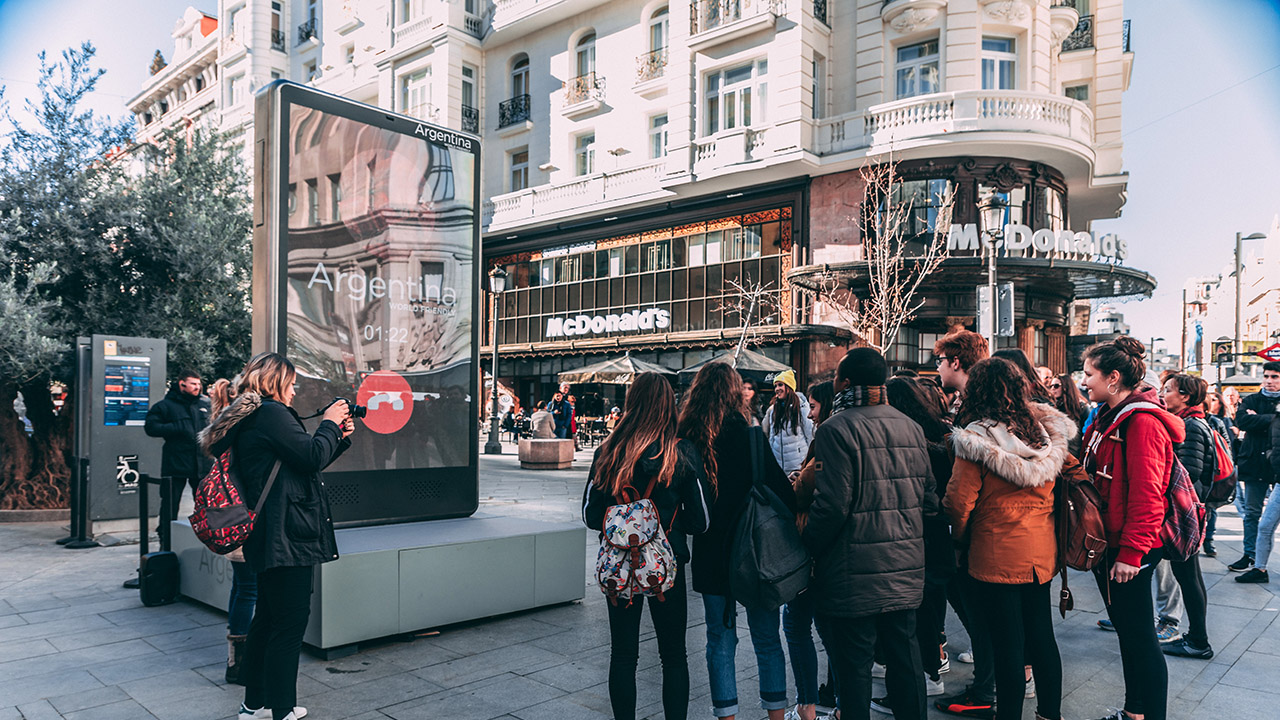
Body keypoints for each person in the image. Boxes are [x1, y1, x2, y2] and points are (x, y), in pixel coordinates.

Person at [201, 353, 353, 720]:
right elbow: (311, 455)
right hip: (287, 534)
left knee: (267, 620)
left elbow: (302, 462)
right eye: (292, 382)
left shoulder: (255, 416)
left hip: (271, 532)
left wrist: (340, 439)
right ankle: (281, 710)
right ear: (276, 381)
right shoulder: (271, 413)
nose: (294, 389)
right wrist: (330, 423)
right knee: (288, 624)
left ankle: (254, 706)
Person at [803, 347, 934, 720]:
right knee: (905, 661)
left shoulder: (835, 429)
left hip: (852, 571)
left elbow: (831, 506)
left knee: (854, 667)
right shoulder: (911, 426)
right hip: (905, 569)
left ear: (844, 382)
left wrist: (809, 544)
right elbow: (929, 499)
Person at [945, 357, 1077, 720]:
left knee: (1007, 648)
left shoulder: (976, 439)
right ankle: (1050, 714)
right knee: (1042, 638)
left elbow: (959, 503)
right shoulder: (1043, 433)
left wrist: (957, 539)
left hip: (995, 555)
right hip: (1040, 555)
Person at [583, 372, 711, 720]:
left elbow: (591, 516)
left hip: (620, 569)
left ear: (631, 404)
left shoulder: (607, 452)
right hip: (664, 568)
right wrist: (664, 524)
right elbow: (702, 522)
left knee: (623, 655)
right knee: (673, 656)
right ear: (668, 405)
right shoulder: (680, 452)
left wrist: (626, 522)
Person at [678, 362, 796, 720]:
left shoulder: (687, 440)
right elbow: (784, 499)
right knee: (767, 639)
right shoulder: (751, 436)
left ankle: (726, 716)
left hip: (712, 553)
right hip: (758, 553)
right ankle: (776, 716)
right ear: (734, 394)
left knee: (719, 640)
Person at [1081, 337, 1180, 720]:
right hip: (1114, 544)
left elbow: (1148, 496)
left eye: (1089, 374)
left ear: (1114, 377)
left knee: (1140, 639)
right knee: (1130, 635)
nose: (1083, 381)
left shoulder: (1140, 422)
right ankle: (1134, 712)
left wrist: (1131, 555)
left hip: (1130, 548)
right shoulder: (1111, 416)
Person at [930, 330, 999, 720]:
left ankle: (985, 690)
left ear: (956, 362)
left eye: (940, 360)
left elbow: (965, 482)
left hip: (974, 531)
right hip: (984, 530)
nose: (937, 366)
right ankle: (987, 685)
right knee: (980, 615)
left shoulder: (975, 409)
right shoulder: (973, 404)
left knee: (978, 614)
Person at [885, 376, 957, 703]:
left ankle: (926, 673)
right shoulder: (940, 433)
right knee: (931, 604)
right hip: (939, 533)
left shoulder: (905, 440)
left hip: (916, 533)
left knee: (916, 611)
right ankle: (933, 665)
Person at [1152, 375, 1214, 659]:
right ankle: (1197, 638)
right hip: (1193, 511)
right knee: (1190, 577)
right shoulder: (1194, 421)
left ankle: (1198, 641)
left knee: (1188, 577)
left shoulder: (1190, 425)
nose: (1163, 394)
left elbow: (1189, 474)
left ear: (1185, 396)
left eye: (1168, 390)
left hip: (1186, 514)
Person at [784, 380, 835, 720]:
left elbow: (805, 492)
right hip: (838, 554)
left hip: (815, 552)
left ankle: (807, 707)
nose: (810, 412)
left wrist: (794, 482)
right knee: (834, 634)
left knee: (797, 624)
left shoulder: (828, 438)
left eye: (814, 405)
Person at [207, 377, 258, 686]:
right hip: (244, 515)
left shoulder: (222, 425)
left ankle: (235, 659)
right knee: (249, 589)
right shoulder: (244, 427)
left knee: (241, 588)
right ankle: (239, 663)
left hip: (229, 516)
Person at [1228, 361, 1280, 572]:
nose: (1269, 381)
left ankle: (1260, 561)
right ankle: (1250, 554)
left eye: (1274, 377)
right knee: (1252, 513)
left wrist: (1259, 418)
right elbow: (1242, 422)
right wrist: (1273, 420)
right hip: (1255, 463)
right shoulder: (1251, 399)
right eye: (1266, 376)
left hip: (1276, 464)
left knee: (1269, 519)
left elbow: (1252, 422)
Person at [145, 369, 214, 520]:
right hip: (176, 464)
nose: (197, 387)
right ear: (182, 384)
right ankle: (166, 538)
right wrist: (177, 427)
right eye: (193, 384)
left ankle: (208, 539)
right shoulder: (164, 406)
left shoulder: (204, 405)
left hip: (202, 464)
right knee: (170, 504)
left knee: (206, 506)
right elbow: (151, 428)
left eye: (198, 383)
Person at [1237, 409, 1280, 584]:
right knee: (1264, 525)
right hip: (1279, 480)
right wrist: (1272, 457)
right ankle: (1259, 569)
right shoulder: (1277, 416)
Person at [763, 369, 814, 475]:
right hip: (778, 467)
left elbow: (810, 436)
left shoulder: (802, 407)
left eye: (780, 385)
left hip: (798, 467)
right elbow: (772, 436)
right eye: (775, 386)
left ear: (789, 387)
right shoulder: (774, 409)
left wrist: (807, 464)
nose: (777, 389)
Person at [1201, 391, 1233, 557]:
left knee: (1211, 508)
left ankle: (1209, 540)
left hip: (1214, 470)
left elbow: (1226, 445)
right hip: (1201, 470)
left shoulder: (1216, 421)